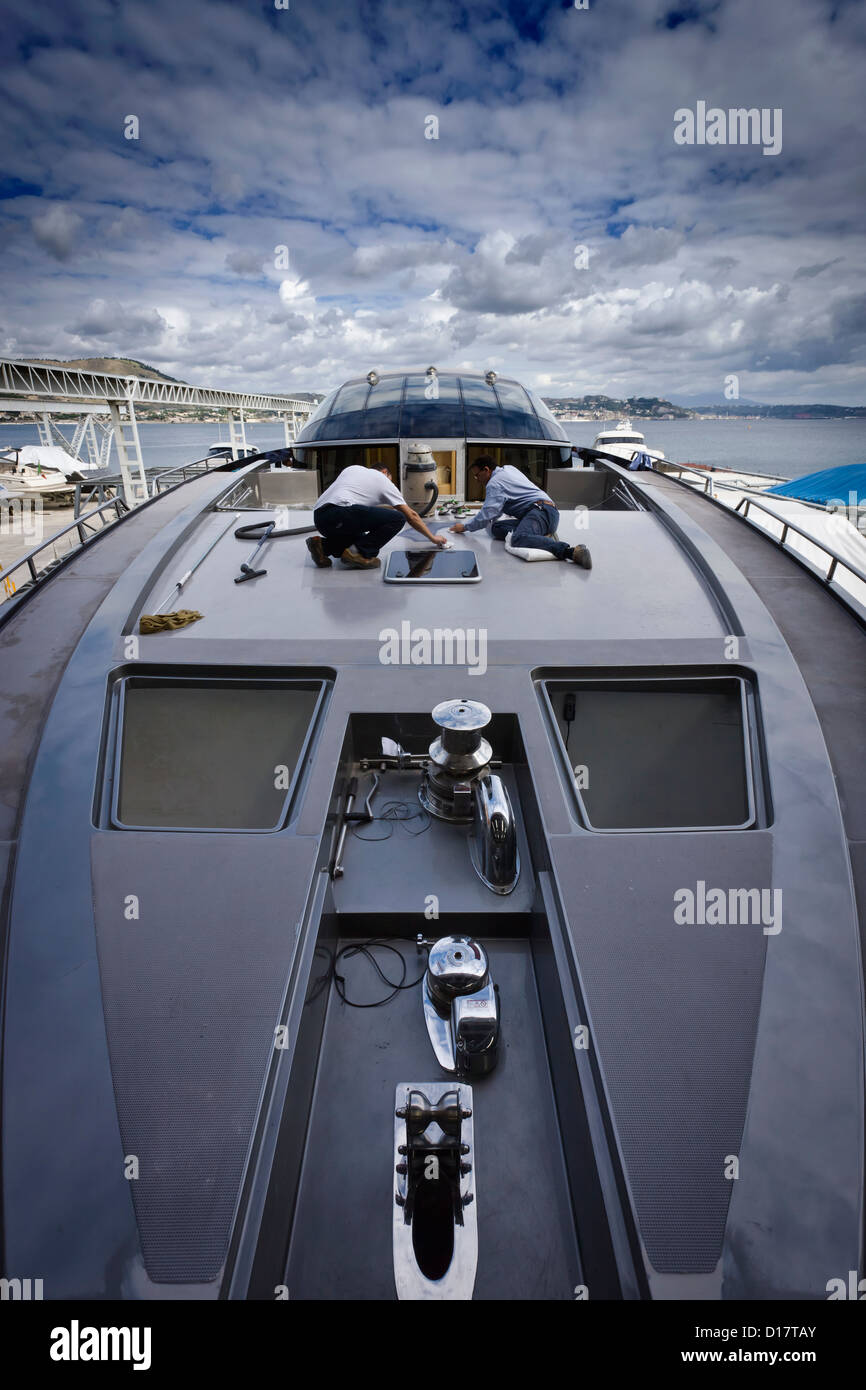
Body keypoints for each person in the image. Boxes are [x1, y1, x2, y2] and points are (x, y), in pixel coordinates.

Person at [450, 455, 592, 568]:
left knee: (518, 538)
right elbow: (494, 511)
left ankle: (571, 551)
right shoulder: (508, 469)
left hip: (541, 512)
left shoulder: (494, 483)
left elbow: (487, 513)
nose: (477, 480)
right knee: (496, 527)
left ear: (486, 470)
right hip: (546, 512)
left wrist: (464, 527)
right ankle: (539, 536)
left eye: (477, 476)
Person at [306, 464, 446, 570]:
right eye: (390, 479)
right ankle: (359, 553)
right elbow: (412, 516)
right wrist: (433, 538)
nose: (391, 483)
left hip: (321, 518)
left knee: (360, 538)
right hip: (341, 513)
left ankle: (323, 546)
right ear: (385, 472)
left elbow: (355, 500)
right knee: (397, 518)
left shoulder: (351, 469)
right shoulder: (383, 480)